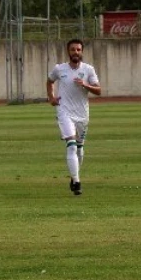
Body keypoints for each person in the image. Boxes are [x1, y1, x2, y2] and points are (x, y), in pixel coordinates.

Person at [46, 39, 102, 196]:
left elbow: (98, 90)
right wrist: (51, 97)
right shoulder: (59, 69)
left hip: (82, 114)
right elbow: (50, 81)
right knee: (71, 145)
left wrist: (85, 85)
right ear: (68, 51)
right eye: (72, 50)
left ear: (82, 51)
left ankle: (73, 176)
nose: (75, 52)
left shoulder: (88, 69)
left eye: (78, 49)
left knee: (79, 149)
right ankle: (77, 182)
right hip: (64, 112)